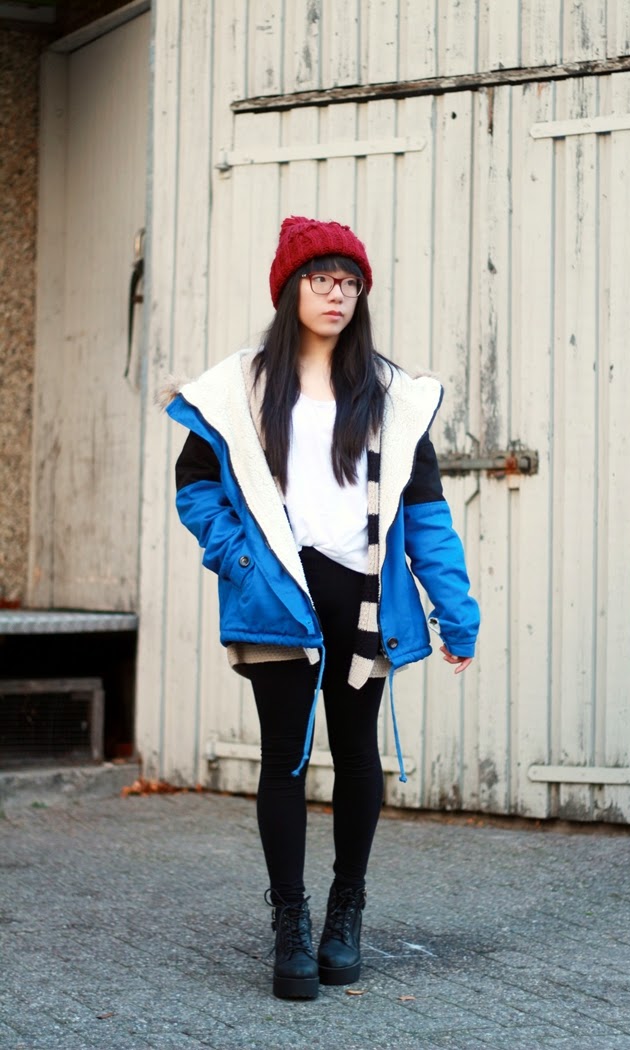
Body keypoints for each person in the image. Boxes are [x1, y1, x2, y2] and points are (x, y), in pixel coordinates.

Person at [162, 216, 480, 1001]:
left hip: (363, 597)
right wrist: (238, 558)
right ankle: (290, 922)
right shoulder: (240, 389)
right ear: (290, 289)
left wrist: (456, 612)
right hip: (277, 594)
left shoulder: (392, 396)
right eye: (321, 280)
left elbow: (426, 515)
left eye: (350, 283)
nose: (337, 295)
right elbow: (195, 487)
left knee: (357, 752)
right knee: (284, 757)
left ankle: (346, 912)